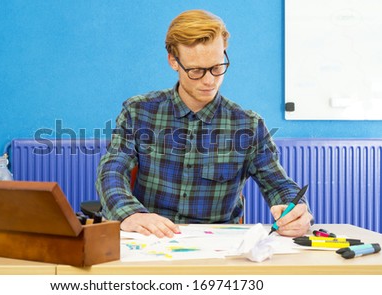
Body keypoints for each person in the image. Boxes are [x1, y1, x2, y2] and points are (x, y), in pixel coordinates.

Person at [96, 9, 313, 238]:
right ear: (173, 61)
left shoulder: (248, 125)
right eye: (196, 70)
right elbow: (111, 170)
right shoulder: (138, 112)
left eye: (217, 67)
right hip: (150, 239)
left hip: (218, 247)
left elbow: (279, 184)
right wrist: (130, 214)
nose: (210, 81)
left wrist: (296, 211)